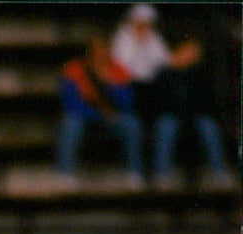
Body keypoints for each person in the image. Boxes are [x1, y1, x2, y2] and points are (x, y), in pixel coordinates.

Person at [109, 3, 229, 185]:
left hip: (194, 113)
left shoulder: (198, 72)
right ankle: (161, 173)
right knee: (166, 125)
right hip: (162, 109)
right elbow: (134, 75)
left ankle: (220, 172)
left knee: (208, 125)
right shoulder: (162, 71)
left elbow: (205, 100)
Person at [55, 36, 144, 186]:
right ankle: (65, 174)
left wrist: (110, 84)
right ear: (88, 52)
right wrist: (99, 114)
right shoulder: (74, 69)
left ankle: (133, 173)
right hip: (85, 116)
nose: (100, 54)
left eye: (104, 50)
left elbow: (128, 103)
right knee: (70, 123)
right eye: (96, 50)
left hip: (112, 119)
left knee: (132, 123)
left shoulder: (118, 70)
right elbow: (70, 104)